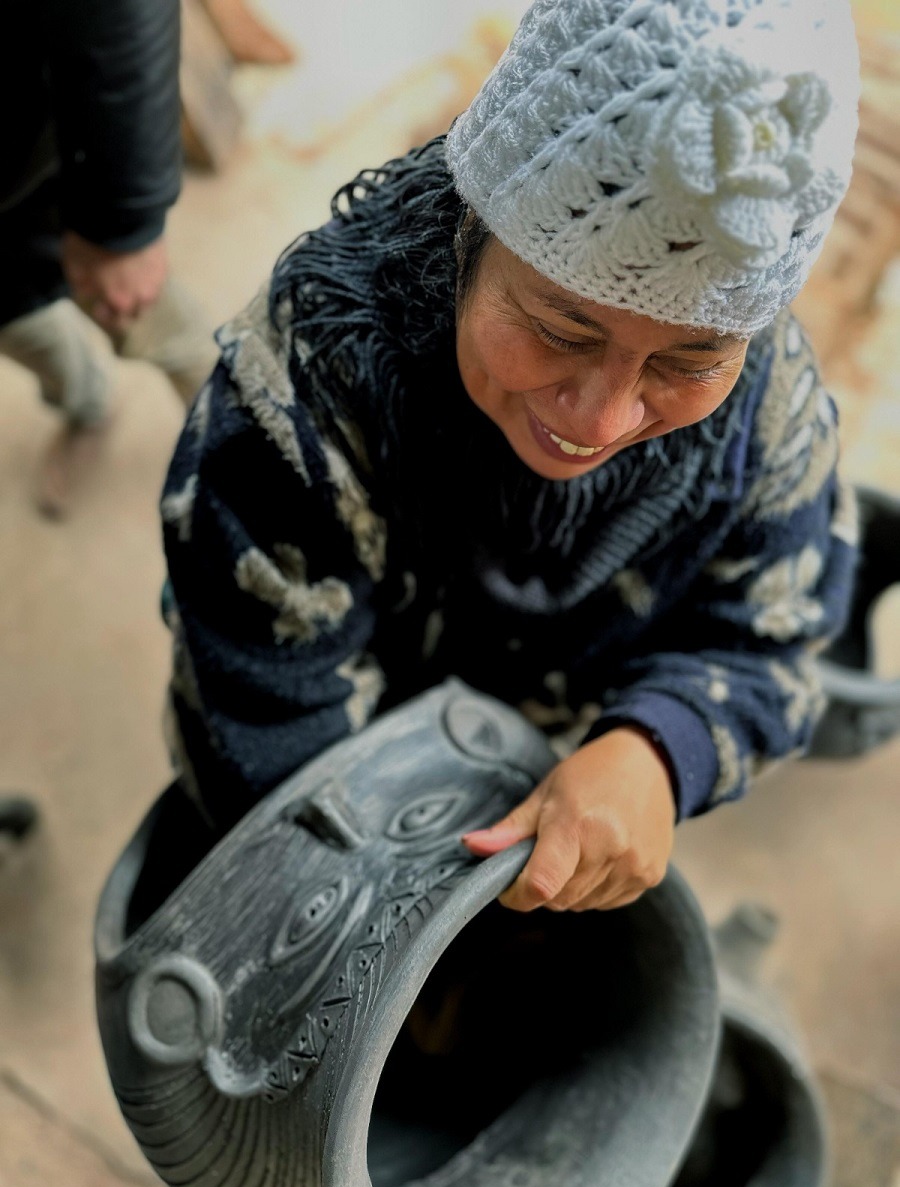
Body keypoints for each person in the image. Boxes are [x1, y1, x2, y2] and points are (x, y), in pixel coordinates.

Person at [161, 0, 860, 914]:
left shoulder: (768, 418)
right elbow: (266, 700)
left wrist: (660, 747)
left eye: (691, 361)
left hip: (545, 755)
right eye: (558, 328)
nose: (603, 416)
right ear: (467, 235)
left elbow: (776, 638)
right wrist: (409, 921)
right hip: (328, 789)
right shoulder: (316, 375)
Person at [0, 0, 216, 517]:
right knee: (25, 331)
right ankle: (89, 407)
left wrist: (123, 223)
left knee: (148, 316)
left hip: (44, 170)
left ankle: (232, 423)